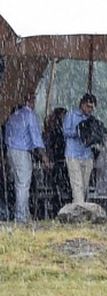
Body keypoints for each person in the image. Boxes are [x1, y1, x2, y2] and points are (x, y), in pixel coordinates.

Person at [4, 93, 51, 222]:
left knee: (18, 183)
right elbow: (36, 138)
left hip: (11, 151)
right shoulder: (30, 115)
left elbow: (7, 135)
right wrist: (44, 157)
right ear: (31, 101)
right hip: (22, 151)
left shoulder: (14, 115)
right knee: (24, 184)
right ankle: (21, 216)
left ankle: (22, 212)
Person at [62, 93, 98, 203]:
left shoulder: (91, 119)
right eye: (88, 106)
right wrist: (79, 132)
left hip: (87, 155)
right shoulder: (71, 115)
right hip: (73, 154)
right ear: (82, 104)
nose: (90, 110)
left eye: (92, 108)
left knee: (84, 186)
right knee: (77, 185)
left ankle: (78, 206)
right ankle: (80, 207)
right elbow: (65, 131)